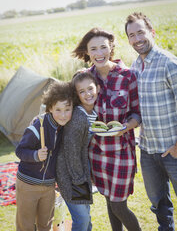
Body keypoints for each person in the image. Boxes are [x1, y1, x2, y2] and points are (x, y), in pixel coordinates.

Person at [72, 27, 142, 231]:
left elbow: (137, 113)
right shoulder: (84, 78)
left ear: (111, 47)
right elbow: (74, 111)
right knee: (109, 202)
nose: (99, 53)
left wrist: (126, 127)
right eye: (93, 49)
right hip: (96, 152)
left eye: (103, 47)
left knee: (119, 205)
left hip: (121, 151)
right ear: (87, 52)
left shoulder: (128, 76)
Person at [125, 12, 177, 231]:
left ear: (151, 32)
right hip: (147, 151)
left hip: (173, 149)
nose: (137, 39)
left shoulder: (169, 63)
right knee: (159, 205)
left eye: (140, 32)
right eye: (132, 35)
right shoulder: (134, 67)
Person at [15, 80, 73, 231]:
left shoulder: (64, 129)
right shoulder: (37, 127)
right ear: (50, 108)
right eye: (58, 110)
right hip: (28, 184)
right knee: (25, 225)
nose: (63, 115)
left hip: (48, 186)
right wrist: (35, 155)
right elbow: (20, 151)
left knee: (45, 225)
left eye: (67, 109)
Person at [56, 71, 99, 231]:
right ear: (77, 95)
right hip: (70, 174)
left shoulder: (92, 113)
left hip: (81, 171)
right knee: (81, 218)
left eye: (90, 89)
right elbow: (71, 152)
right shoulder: (78, 118)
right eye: (82, 91)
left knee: (86, 218)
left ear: (98, 88)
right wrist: (79, 180)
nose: (88, 94)